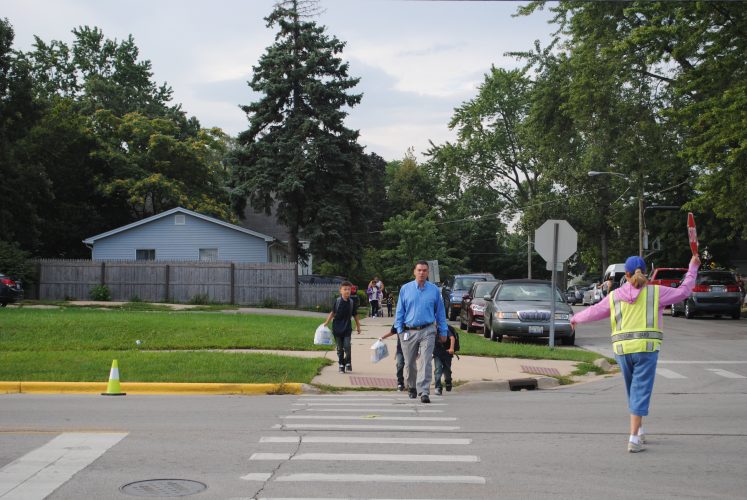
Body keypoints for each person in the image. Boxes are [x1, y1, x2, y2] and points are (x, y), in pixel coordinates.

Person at [571, 254, 700, 453]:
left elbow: (595, 311)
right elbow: (684, 291)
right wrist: (692, 268)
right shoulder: (656, 293)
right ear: (645, 272)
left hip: (622, 351)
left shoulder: (614, 296)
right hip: (646, 350)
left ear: (626, 274)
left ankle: (638, 431)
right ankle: (633, 439)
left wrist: (576, 318)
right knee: (640, 392)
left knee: (633, 391)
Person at [386, 260, 448, 403]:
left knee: (425, 361)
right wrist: (400, 329)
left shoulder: (434, 290)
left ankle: (424, 391)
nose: (422, 273)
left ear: (428, 273)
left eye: (424, 270)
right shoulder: (405, 289)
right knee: (409, 363)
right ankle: (412, 386)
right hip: (408, 331)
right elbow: (400, 311)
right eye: (419, 270)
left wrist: (443, 330)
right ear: (414, 272)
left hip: (428, 330)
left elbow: (440, 312)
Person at [323, 281, 362, 373]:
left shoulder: (352, 302)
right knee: (339, 348)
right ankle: (341, 364)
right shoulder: (337, 301)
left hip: (347, 327)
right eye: (345, 289)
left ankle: (348, 362)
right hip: (337, 327)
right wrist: (326, 322)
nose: (347, 291)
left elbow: (355, 315)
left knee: (347, 346)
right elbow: (333, 313)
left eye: (349, 289)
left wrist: (358, 326)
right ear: (341, 290)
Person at [433, 325, 456, 396]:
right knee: (438, 369)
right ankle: (438, 387)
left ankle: (448, 381)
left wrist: (451, 348)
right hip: (437, 353)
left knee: (447, 369)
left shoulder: (444, 328)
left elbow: (452, 338)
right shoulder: (432, 329)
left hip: (447, 352)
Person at [381, 326, 406, 391]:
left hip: (410, 349)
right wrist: (382, 337)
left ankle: (411, 383)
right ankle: (400, 382)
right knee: (400, 365)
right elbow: (392, 332)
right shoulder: (398, 322)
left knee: (410, 366)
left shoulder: (411, 320)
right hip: (400, 349)